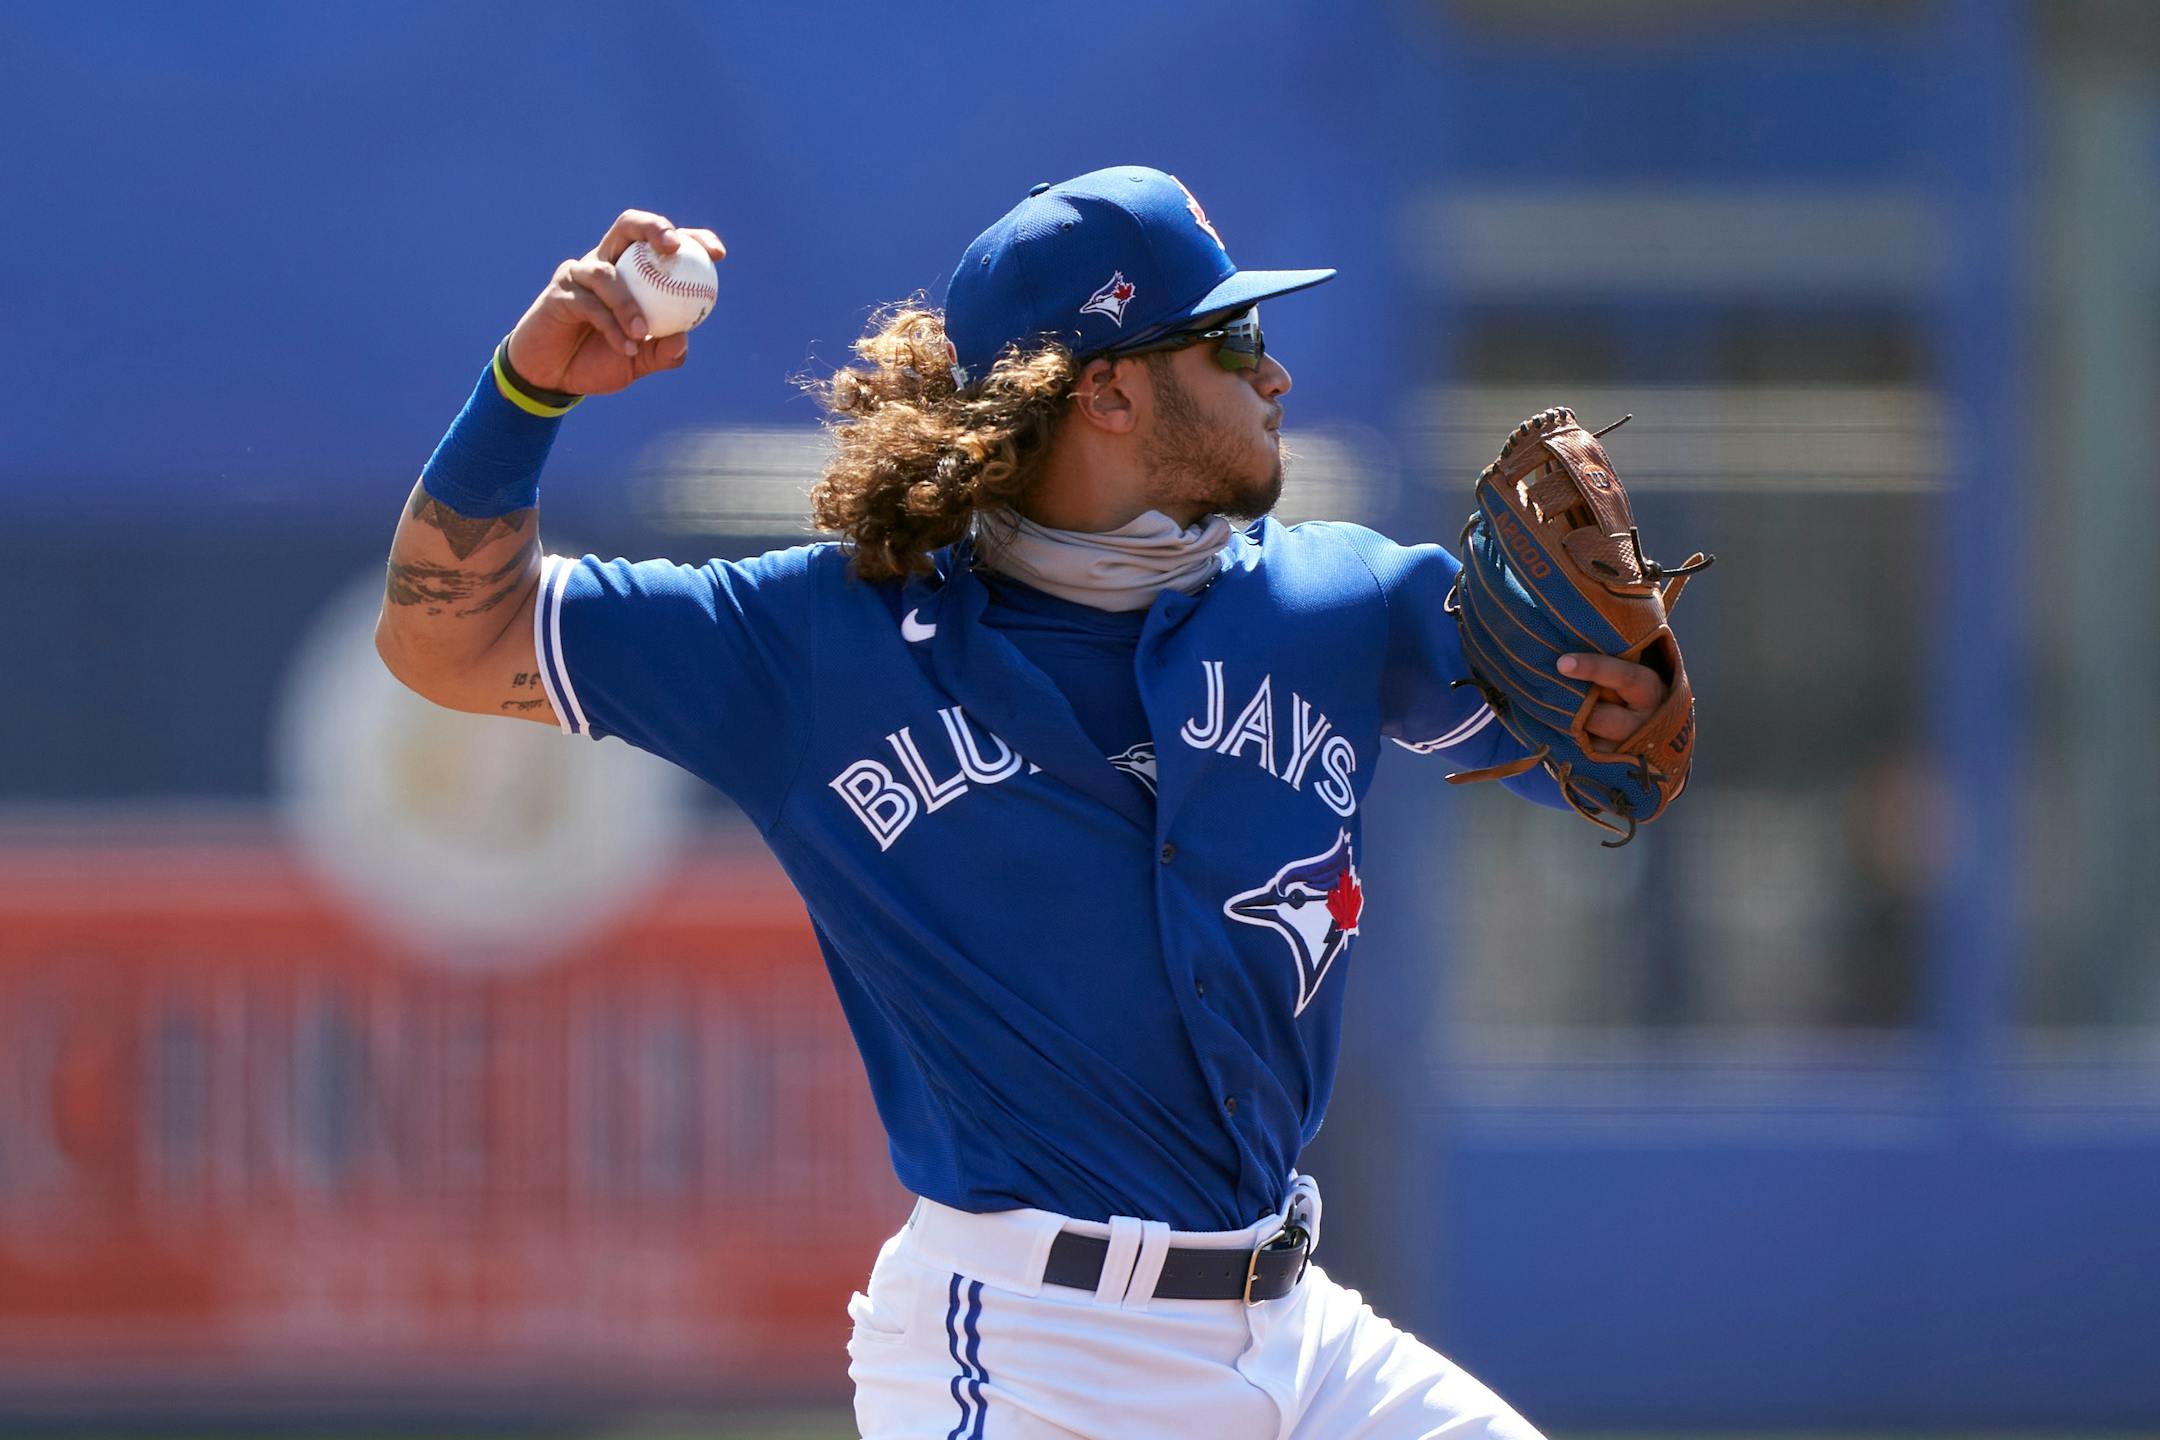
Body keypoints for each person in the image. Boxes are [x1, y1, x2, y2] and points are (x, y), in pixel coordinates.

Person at [376, 166, 1672, 1439]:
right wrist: (527, 388)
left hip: (1302, 1340)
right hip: (1034, 1358)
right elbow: (450, 637)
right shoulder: (818, 646)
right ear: (1106, 390)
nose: (1275, 374)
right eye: (1234, 340)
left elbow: (1597, 736)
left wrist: (1621, 696)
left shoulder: (1342, 600)